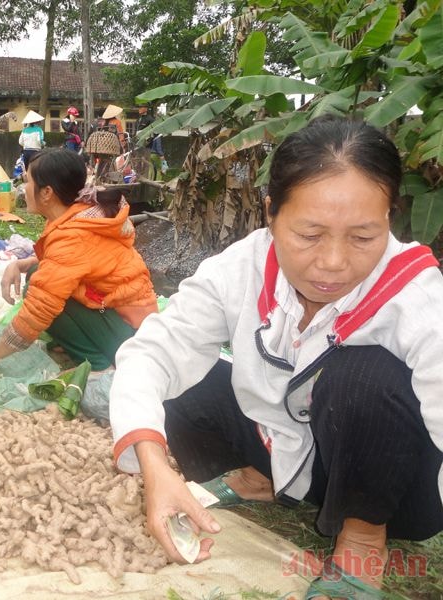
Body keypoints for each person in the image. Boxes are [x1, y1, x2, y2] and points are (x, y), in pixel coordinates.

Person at [109, 117, 443, 598]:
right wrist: (155, 463)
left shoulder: (414, 292)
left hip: (393, 488)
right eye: (309, 234)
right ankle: (262, 479)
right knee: (183, 392)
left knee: (362, 376)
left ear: (389, 217)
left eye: (362, 237)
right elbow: (153, 350)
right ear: (271, 212)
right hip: (296, 454)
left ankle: (363, 537)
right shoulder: (243, 266)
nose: (332, 262)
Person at [0, 148, 157, 372]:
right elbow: (60, 264)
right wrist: (19, 263)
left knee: (43, 295)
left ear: (47, 192)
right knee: (39, 272)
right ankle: (82, 345)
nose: (23, 189)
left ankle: (100, 367)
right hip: (125, 318)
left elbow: (37, 311)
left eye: (27, 181)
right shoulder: (80, 214)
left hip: (132, 336)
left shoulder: (72, 236)